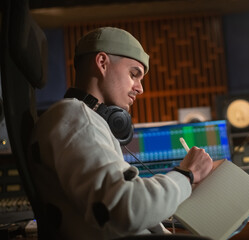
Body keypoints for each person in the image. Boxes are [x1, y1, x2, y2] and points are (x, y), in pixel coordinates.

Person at [30, 26, 214, 240]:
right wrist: (186, 175)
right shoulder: (76, 117)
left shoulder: (79, 119)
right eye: (134, 74)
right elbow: (126, 207)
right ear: (102, 63)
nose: (140, 88)